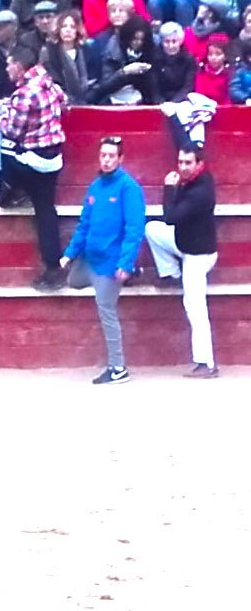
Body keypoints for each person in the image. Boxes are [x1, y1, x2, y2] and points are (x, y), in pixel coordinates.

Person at [60, 136, 146, 385]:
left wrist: (125, 264)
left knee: (106, 311)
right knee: (73, 280)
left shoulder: (128, 188)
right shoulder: (95, 187)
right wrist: (69, 253)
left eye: (111, 156)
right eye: (103, 156)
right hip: (90, 257)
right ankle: (129, 274)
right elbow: (84, 224)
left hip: (110, 262)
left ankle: (118, 368)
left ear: (120, 159)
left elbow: (134, 228)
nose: (106, 160)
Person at [144, 144, 219, 379]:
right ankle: (172, 275)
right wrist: (173, 116)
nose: (183, 167)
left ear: (199, 164)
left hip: (198, 256)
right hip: (185, 243)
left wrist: (169, 188)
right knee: (152, 230)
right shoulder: (198, 179)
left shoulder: (200, 192)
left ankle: (207, 363)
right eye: (180, 162)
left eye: (188, 163)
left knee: (195, 306)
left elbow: (171, 217)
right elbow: (183, 139)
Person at [0, 47, 68, 291]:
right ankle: (54, 268)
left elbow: (11, 131)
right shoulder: (50, 84)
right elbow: (64, 102)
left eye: (9, 64)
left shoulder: (24, 95)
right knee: (46, 211)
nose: (7, 69)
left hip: (33, 162)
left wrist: (0, 114)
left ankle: (10, 193)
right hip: (54, 157)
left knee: (2, 152)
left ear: (19, 65)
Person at [154, 22, 196, 103]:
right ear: (161, 42)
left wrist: (173, 104)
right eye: (167, 41)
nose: (170, 46)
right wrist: (161, 104)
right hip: (159, 104)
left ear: (180, 41)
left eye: (174, 41)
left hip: (181, 103)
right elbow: (153, 88)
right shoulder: (154, 58)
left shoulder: (189, 59)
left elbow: (188, 87)